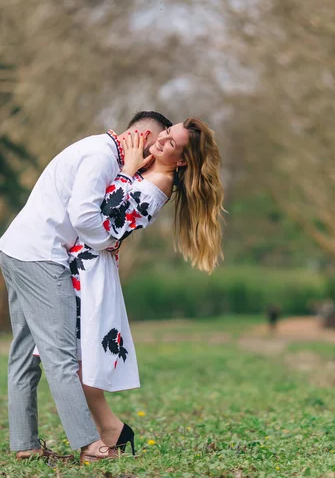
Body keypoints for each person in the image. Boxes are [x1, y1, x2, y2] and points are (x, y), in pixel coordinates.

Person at [0, 111, 172, 463]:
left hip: (18, 250)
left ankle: (25, 445)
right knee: (60, 358)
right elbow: (86, 218)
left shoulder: (96, 150)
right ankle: (91, 446)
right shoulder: (102, 157)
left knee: (24, 355)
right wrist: (109, 241)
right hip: (42, 258)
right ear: (142, 137)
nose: (151, 157)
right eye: (154, 147)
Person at [68, 118, 224, 462]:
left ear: (181, 161)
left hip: (91, 273)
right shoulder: (148, 171)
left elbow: (106, 219)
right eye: (166, 132)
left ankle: (108, 430)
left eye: (170, 142)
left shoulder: (157, 184)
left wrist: (126, 169)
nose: (161, 139)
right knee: (71, 358)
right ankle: (108, 429)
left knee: (75, 359)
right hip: (82, 265)